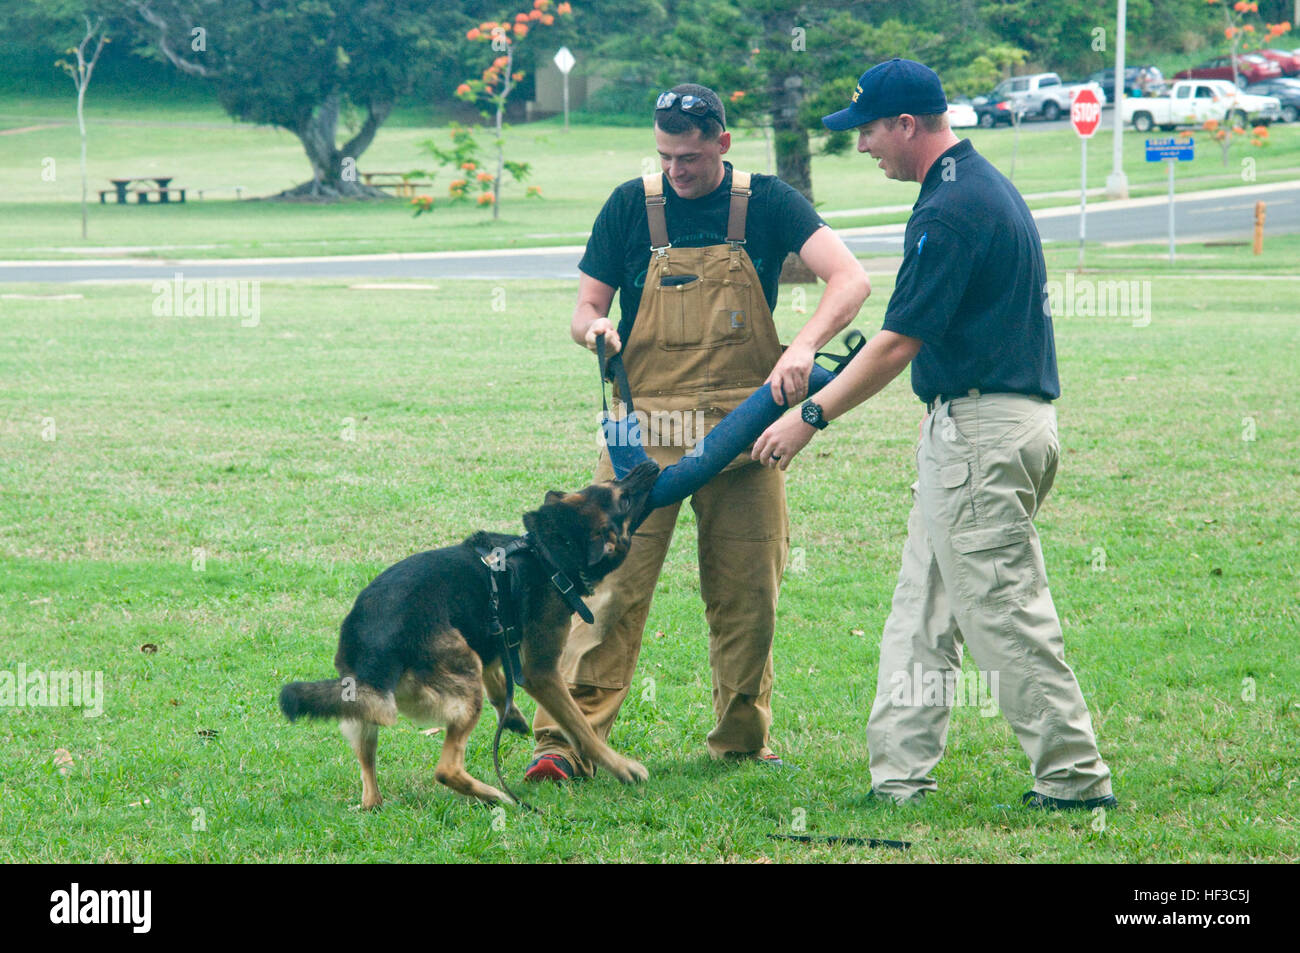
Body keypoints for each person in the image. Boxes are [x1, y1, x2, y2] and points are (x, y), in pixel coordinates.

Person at [752, 59, 1116, 811]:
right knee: (925, 604)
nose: (863, 147)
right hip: (981, 426)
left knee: (1005, 609)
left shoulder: (950, 209)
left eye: (870, 131)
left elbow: (896, 341)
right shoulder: (976, 186)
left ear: (907, 125)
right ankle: (898, 776)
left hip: (983, 436)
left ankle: (1075, 780)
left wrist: (810, 417)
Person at [525, 83, 870, 781]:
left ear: (722, 142)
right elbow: (585, 305)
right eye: (665, 156)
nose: (676, 170)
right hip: (640, 439)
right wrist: (594, 327)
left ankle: (743, 740)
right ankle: (564, 744)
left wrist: (802, 346)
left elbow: (851, 279)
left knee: (748, 590)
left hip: (746, 435)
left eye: (689, 156)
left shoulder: (767, 202)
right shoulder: (631, 205)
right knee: (608, 589)